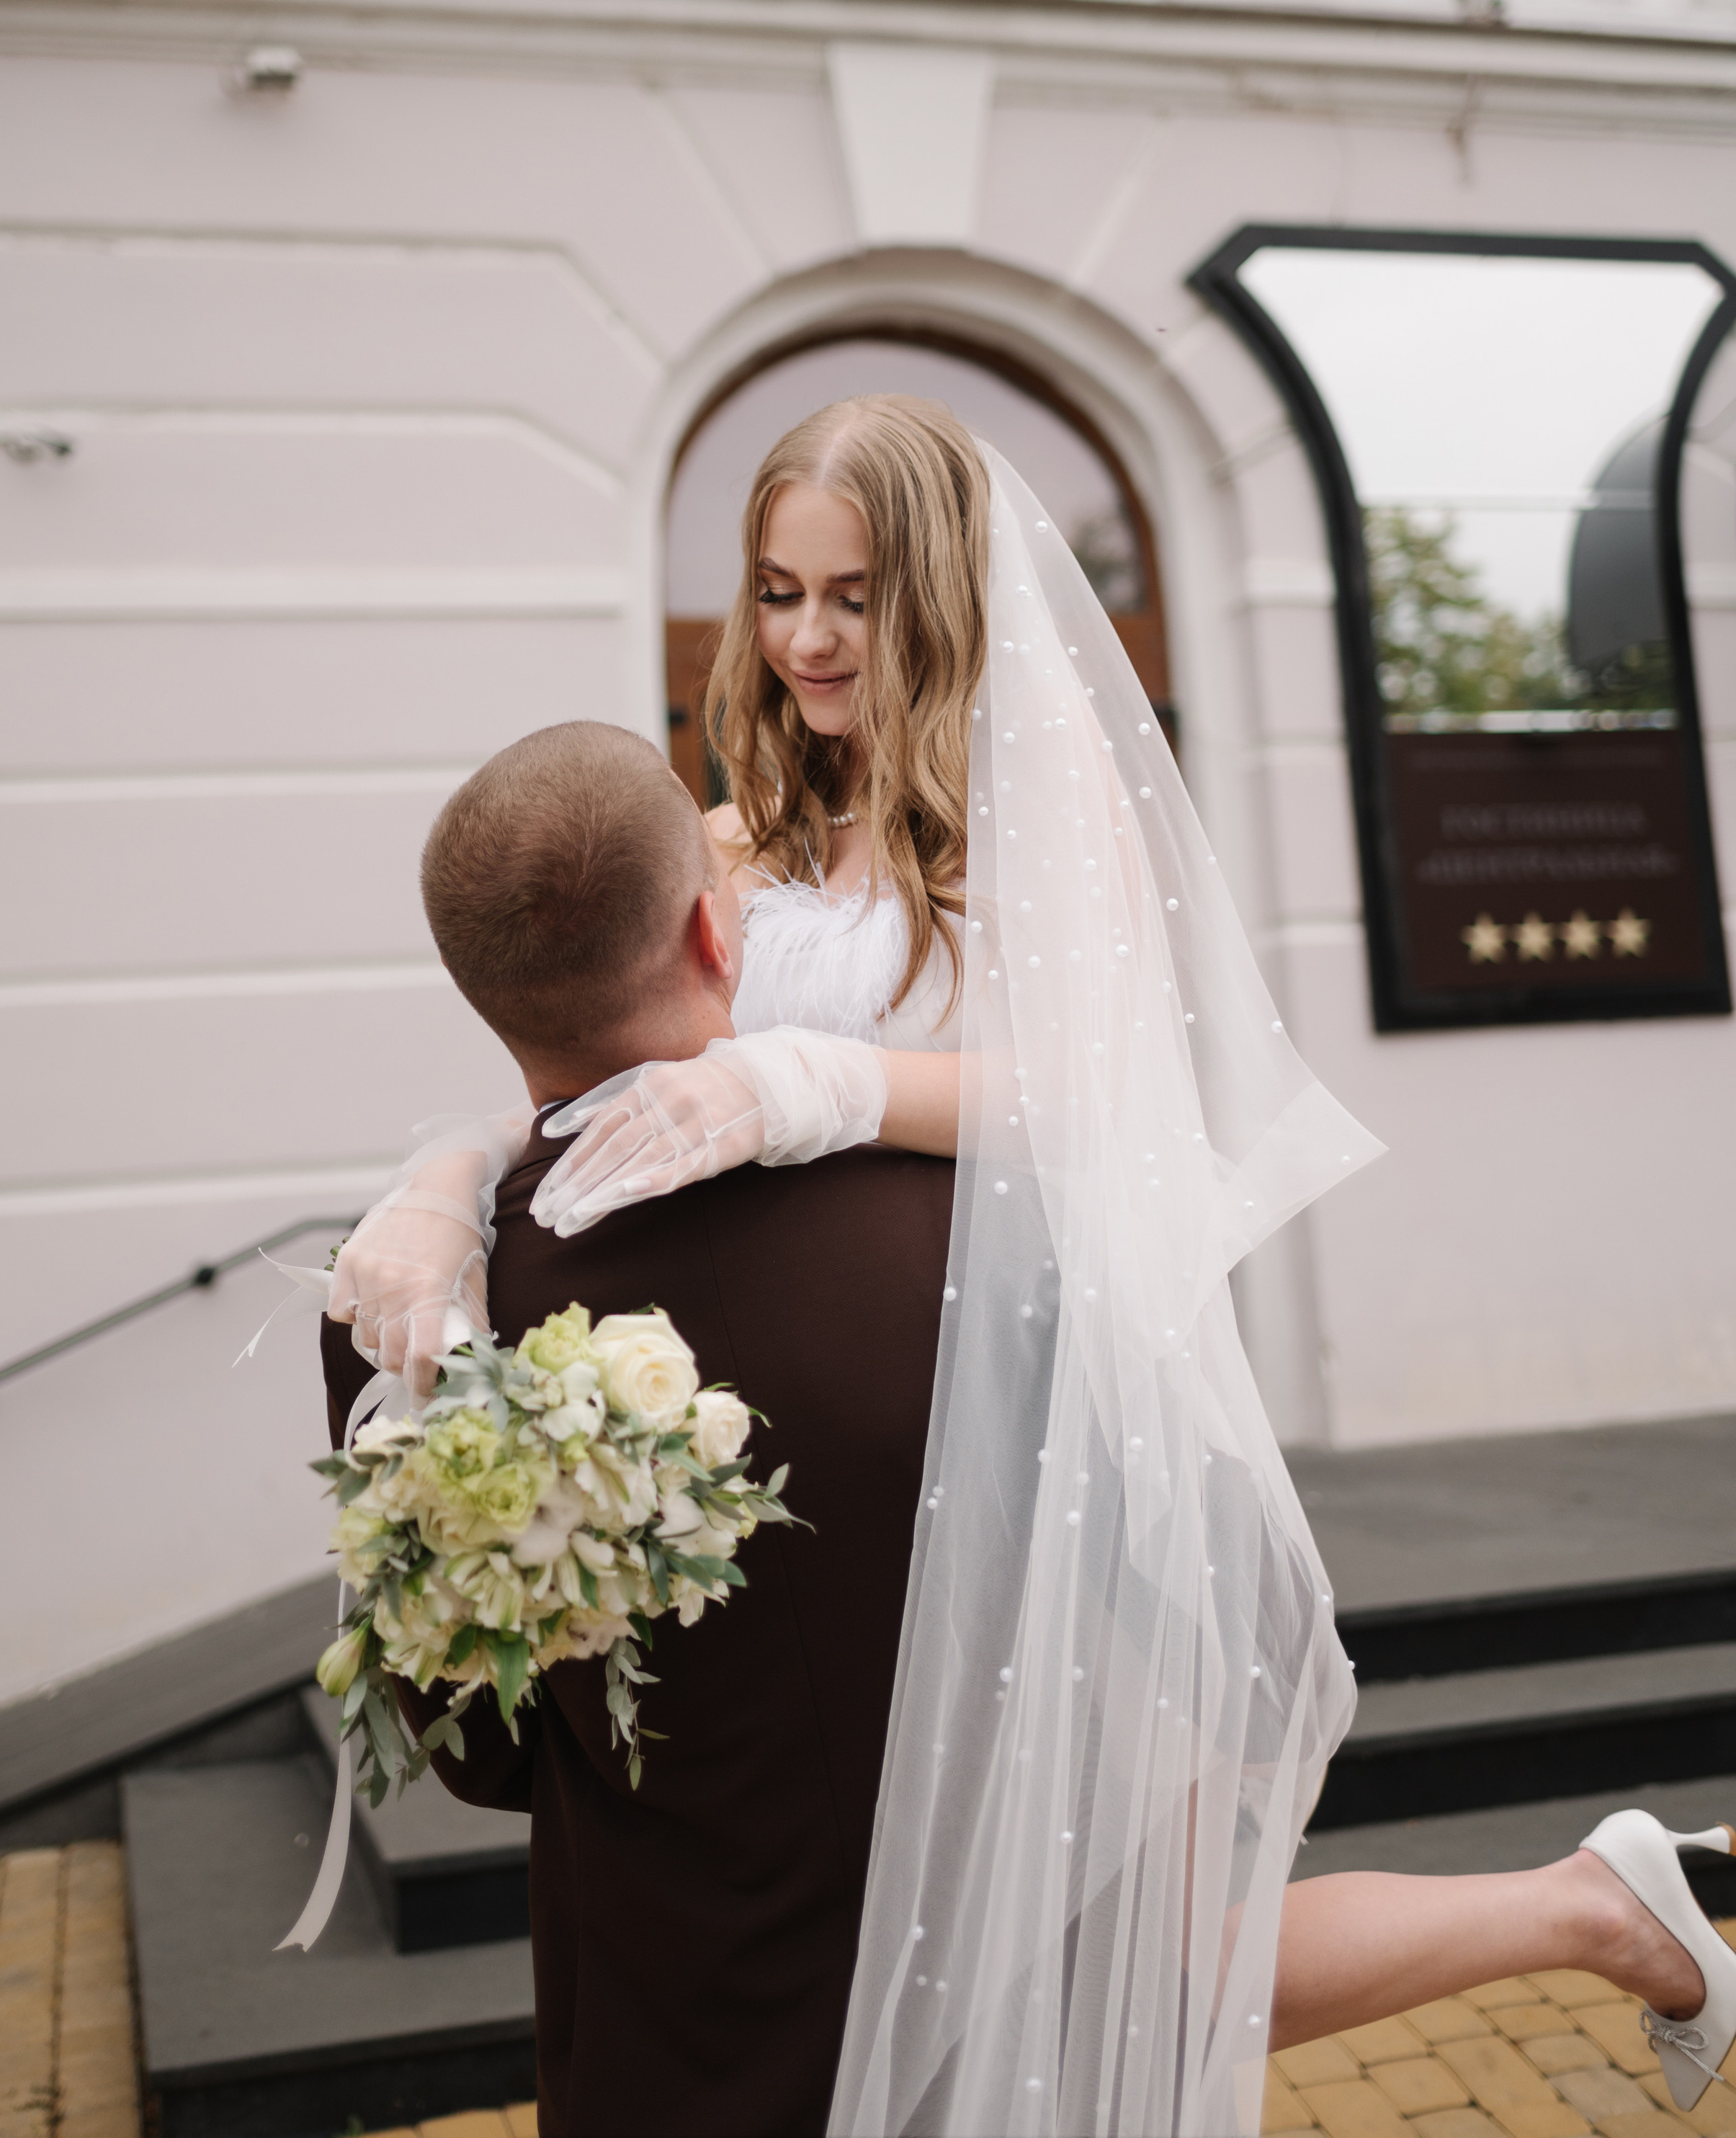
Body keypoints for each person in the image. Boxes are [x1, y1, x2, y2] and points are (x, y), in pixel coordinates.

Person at [330, 396, 1735, 2134]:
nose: (808, 640)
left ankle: (1599, 1910)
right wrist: (436, 1177)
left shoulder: (1036, 821)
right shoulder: (728, 838)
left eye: (851, 595)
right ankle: (1601, 1907)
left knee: (1125, 1958)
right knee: (1010, 1969)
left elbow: (1105, 1105)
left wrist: (812, 1080)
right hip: (827, 1478)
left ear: (936, 593)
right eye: (775, 593)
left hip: (1042, 1444)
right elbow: (580, 1081)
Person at [322, 718, 957, 2137]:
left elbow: (473, 1746)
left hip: (651, 2019)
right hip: (947, 1999)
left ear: (479, 993)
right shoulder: (944, 1228)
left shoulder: (410, 1305)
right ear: (710, 932)